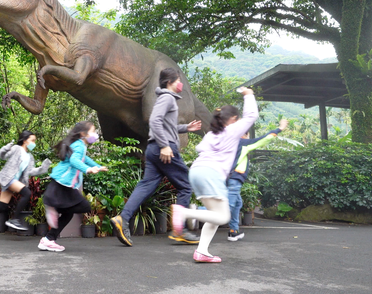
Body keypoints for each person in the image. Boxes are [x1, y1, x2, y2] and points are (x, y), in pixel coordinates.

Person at [112, 67, 202, 246]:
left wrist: (185, 128)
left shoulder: (166, 99)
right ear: (169, 82)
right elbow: (154, 121)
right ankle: (179, 229)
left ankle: (123, 218)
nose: (180, 83)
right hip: (164, 150)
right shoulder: (167, 98)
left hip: (154, 149)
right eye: (178, 80)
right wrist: (165, 146)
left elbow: (166, 126)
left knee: (145, 186)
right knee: (185, 186)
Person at [171, 87, 257, 263]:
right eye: (237, 119)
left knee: (214, 215)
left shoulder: (212, 134)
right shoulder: (231, 130)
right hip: (211, 174)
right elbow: (251, 116)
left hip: (197, 171)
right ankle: (186, 212)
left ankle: (202, 251)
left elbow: (200, 148)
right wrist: (248, 95)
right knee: (223, 216)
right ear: (233, 120)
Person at [0, 130, 52, 240]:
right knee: (27, 193)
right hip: (8, 178)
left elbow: (31, 171)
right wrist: (5, 148)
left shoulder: (30, 156)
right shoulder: (17, 149)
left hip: (13, 181)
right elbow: (2, 156)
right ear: (25, 140)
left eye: (34, 141)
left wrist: (43, 168)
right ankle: (14, 219)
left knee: (1, 207)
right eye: (32, 140)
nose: (34, 143)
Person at [39, 121, 107, 252]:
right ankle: (54, 209)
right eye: (93, 131)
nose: (95, 134)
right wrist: (88, 170)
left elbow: (84, 159)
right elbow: (74, 161)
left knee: (69, 212)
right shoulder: (79, 146)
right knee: (84, 206)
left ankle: (48, 240)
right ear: (83, 134)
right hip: (62, 182)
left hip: (63, 182)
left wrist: (98, 166)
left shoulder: (79, 145)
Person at [227, 119, 288, 241]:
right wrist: (280, 128)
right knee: (225, 208)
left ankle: (234, 231)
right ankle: (191, 213)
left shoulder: (228, 142)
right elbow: (265, 139)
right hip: (234, 178)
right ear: (245, 134)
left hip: (227, 177)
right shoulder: (242, 142)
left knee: (237, 203)